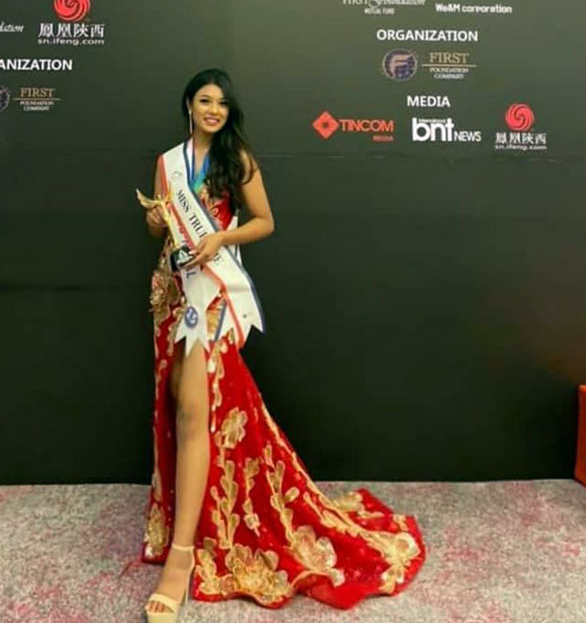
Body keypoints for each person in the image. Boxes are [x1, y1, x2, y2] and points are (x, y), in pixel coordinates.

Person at [140, 69, 425, 621]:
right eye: (205, 100)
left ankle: (181, 559)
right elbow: (161, 228)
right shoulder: (167, 162)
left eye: (223, 103)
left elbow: (265, 221)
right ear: (189, 105)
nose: (214, 110)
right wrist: (155, 219)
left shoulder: (236, 158)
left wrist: (223, 236)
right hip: (173, 293)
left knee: (196, 409)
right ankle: (198, 518)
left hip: (214, 292)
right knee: (184, 407)